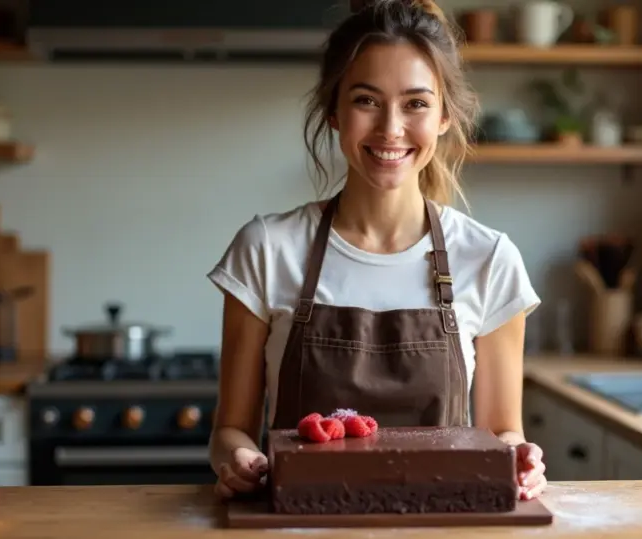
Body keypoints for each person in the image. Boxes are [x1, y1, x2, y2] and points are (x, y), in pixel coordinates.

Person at [207, 0, 546, 503]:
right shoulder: (265, 249)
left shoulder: (490, 259)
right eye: (367, 100)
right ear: (334, 111)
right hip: (301, 528)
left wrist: (520, 459)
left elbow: (502, 433)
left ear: (445, 116)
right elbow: (230, 430)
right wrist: (238, 459)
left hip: (442, 529)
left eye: (416, 104)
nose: (391, 128)